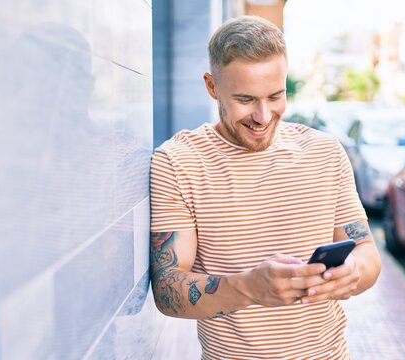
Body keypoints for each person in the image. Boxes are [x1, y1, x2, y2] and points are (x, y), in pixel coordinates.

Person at [149, 16, 381, 359]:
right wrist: (248, 288)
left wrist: (352, 273)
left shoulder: (326, 153)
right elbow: (167, 290)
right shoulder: (177, 162)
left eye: (275, 96)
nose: (262, 116)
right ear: (212, 87)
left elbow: (367, 252)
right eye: (245, 99)